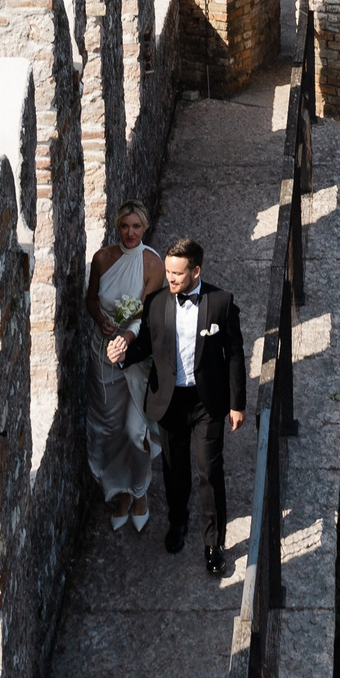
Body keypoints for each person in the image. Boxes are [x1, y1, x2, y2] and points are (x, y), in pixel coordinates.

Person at [129, 237, 245, 574]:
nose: (171, 279)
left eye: (178, 274)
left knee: (209, 472)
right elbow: (147, 346)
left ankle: (213, 544)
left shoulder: (221, 303)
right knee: (173, 469)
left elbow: (235, 353)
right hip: (169, 401)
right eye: (167, 272)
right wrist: (123, 354)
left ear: (196, 271)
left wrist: (237, 403)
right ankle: (177, 523)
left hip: (207, 402)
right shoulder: (155, 303)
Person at [87, 202, 165, 532]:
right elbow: (91, 298)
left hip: (135, 356)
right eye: (124, 227)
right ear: (116, 227)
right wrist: (101, 320)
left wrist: (127, 339)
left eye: (136, 226)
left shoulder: (153, 263)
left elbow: (146, 315)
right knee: (110, 427)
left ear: (144, 228)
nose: (130, 233)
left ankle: (140, 490)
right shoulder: (102, 259)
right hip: (103, 353)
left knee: (135, 431)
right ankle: (121, 492)